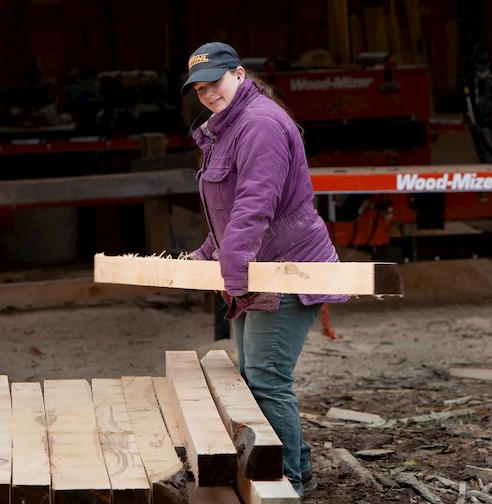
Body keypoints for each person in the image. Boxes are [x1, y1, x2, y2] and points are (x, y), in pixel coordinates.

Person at [183, 42, 348, 496]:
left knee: (266, 379)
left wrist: (231, 269)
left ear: (238, 74)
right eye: (199, 89)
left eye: (214, 83)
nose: (208, 94)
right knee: (251, 381)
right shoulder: (227, 128)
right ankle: (300, 467)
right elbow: (227, 207)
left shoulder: (259, 125)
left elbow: (255, 205)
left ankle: (287, 484)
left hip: (287, 270)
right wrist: (209, 255)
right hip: (257, 268)